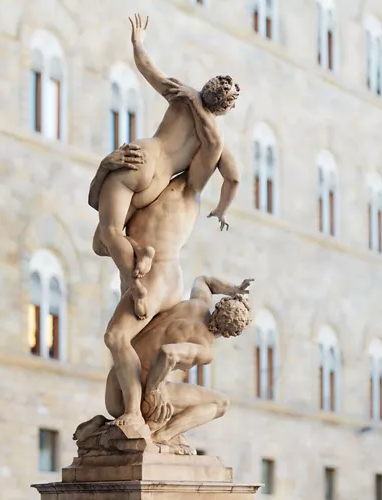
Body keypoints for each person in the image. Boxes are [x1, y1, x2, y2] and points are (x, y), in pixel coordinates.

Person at [88, 13, 242, 314]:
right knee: (101, 241)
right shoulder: (215, 138)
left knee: (109, 232)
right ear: (226, 109)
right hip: (158, 183)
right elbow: (233, 178)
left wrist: (137, 42)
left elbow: (147, 67)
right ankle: (139, 254)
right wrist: (222, 208)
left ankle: (136, 285)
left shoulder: (185, 95)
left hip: (141, 159)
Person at [104, 276, 254, 455]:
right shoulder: (205, 348)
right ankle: (163, 437)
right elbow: (168, 353)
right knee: (221, 403)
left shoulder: (197, 305)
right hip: (137, 397)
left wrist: (235, 290)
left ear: (220, 306)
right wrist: (154, 391)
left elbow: (204, 280)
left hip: (116, 384)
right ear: (230, 334)